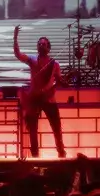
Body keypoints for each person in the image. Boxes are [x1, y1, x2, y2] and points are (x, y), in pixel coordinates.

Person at [14, 26, 66, 159]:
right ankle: (35, 157)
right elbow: (18, 54)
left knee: (56, 128)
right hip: (34, 98)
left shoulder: (54, 64)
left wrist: (59, 85)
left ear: (48, 48)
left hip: (49, 99)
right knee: (32, 130)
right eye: (39, 44)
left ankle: (61, 153)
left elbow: (58, 81)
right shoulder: (32, 60)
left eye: (44, 44)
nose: (41, 46)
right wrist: (15, 37)